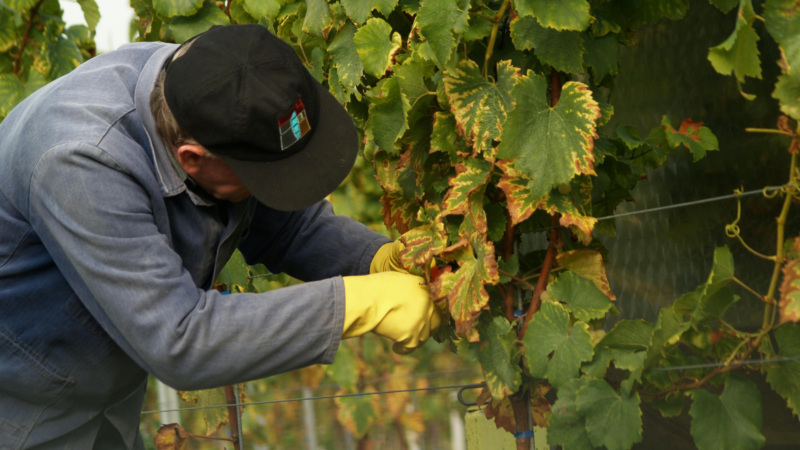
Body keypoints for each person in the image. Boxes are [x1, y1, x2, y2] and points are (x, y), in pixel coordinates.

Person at [0, 24, 440, 449]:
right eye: (264, 177)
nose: (274, 188)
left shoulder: (204, 88)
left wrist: (375, 259)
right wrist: (357, 305)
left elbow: (286, 225)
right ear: (192, 159)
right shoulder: (81, 163)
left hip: (101, 400)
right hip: (21, 413)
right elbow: (180, 339)